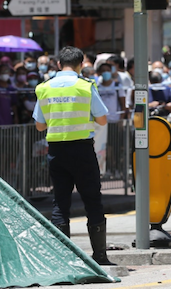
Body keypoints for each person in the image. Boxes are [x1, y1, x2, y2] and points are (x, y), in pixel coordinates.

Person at [33, 46, 114, 266]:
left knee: (60, 201)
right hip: (82, 150)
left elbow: (40, 125)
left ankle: (63, 259)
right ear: (80, 65)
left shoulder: (44, 88)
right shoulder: (86, 86)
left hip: (57, 151)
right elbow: (102, 119)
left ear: (59, 64)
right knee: (93, 200)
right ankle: (99, 256)